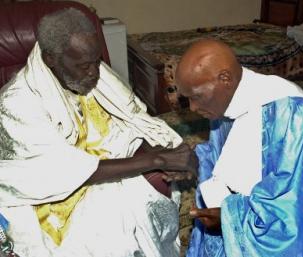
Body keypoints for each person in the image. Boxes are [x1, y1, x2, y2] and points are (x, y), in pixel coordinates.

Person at [0, 8, 198, 257]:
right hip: (47, 198)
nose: (94, 71)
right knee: (112, 238)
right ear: (50, 59)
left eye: (97, 60)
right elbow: (59, 172)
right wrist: (156, 160)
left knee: (132, 217)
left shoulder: (92, 75)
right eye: (84, 65)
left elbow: (131, 121)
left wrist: (162, 150)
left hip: (100, 172)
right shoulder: (16, 104)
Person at [175, 39, 303, 257]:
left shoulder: (295, 119)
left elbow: (299, 215)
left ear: (225, 79)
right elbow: (226, 159)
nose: (193, 108)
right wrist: (191, 160)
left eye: (196, 96)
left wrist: (227, 218)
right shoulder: (227, 103)